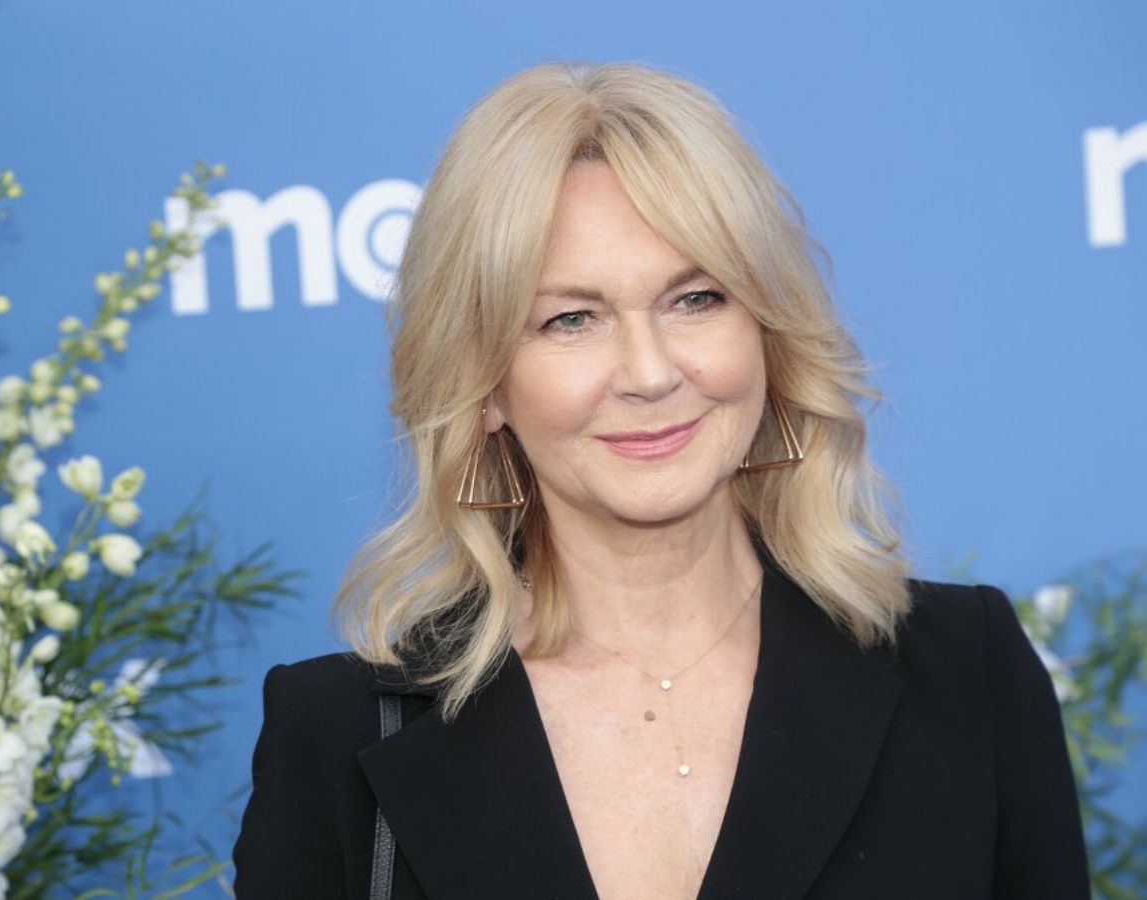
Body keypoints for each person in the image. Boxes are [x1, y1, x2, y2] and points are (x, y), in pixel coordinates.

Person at [230, 61, 1090, 900]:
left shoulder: (966, 672)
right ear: (485, 384)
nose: (648, 373)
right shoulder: (335, 733)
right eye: (571, 319)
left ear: (768, 334)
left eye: (695, 299)